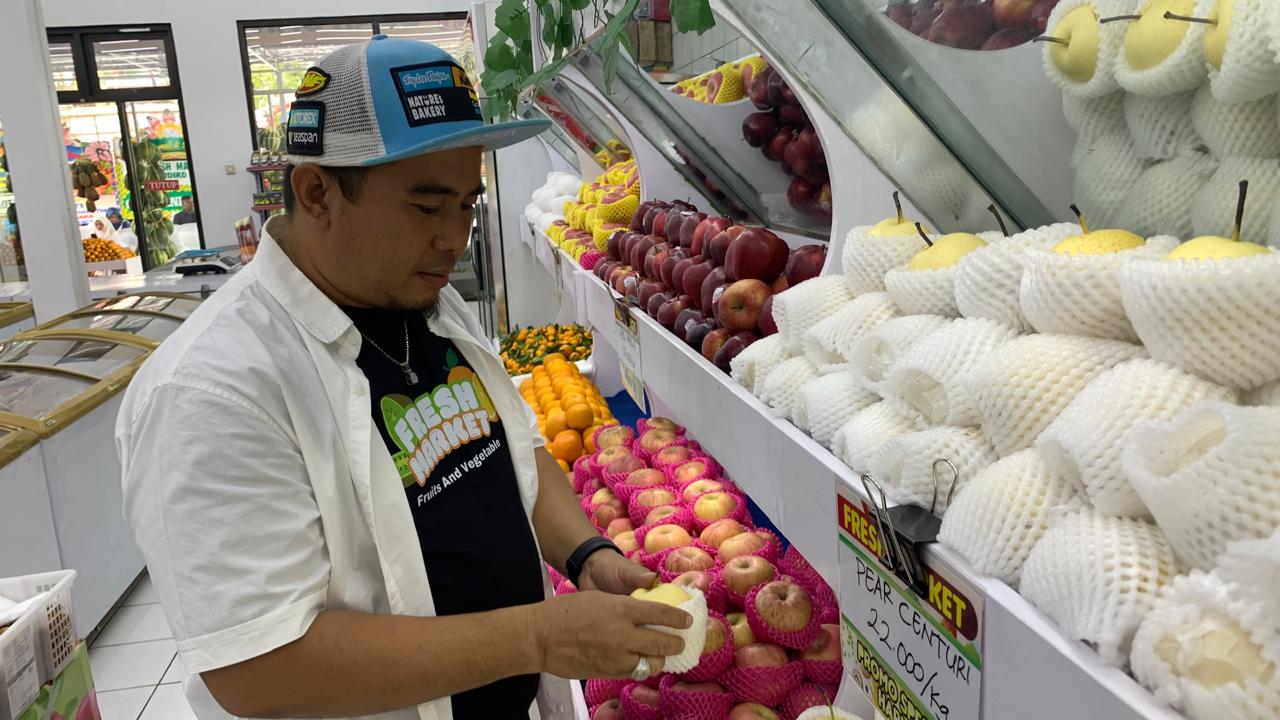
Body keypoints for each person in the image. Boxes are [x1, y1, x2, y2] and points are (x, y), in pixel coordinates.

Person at [115, 36, 689, 720]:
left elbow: (515, 445)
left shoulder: (426, 302)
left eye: (467, 205)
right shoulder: (212, 390)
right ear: (316, 191)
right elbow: (255, 667)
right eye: (426, 206)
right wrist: (534, 637)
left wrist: (586, 552)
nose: (454, 237)